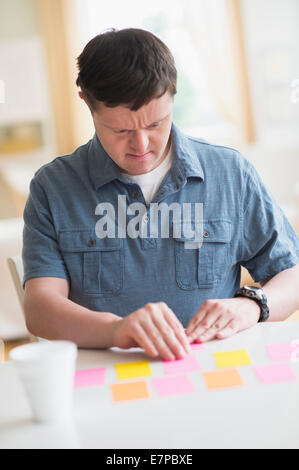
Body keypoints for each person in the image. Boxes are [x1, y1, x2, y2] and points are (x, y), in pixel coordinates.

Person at [22, 28, 299, 361]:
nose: (141, 146)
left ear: (173, 95)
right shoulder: (53, 187)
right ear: (86, 102)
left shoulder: (230, 173)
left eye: (156, 123)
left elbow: (292, 274)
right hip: (106, 378)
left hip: (215, 372)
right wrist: (116, 330)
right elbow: (40, 308)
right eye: (121, 130)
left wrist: (252, 305)